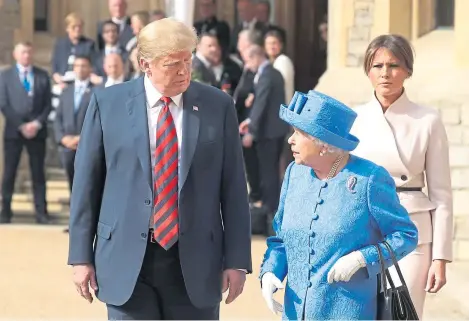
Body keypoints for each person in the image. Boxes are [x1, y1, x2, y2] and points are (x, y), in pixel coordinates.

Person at [67, 17, 252, 320]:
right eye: (172, 64)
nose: (183, 71)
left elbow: (233, 188)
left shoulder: (218, 106)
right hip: (126, 259)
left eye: (187, 61)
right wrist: (80, 257)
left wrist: (237, 260)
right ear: (145, 64)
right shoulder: (107, 104)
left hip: (196, 261)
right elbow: (87, 184)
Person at [259, 90, 418, 320]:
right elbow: (282, 238)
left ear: (323, 143)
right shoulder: (295, 173)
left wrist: (362, 258)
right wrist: (271, 271)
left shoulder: (369, 179)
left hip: (348, 312)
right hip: (295, 313)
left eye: (299, 133)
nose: (290, 139)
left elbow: (405, 235)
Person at [350, 34, 453, 319]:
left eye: (394, 65)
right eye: (377, 65)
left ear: (407, 70)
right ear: (368, 71)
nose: (385, 73)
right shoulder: (355, 119)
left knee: (402, 314)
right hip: (363, 229)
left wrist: (441, 257)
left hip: (412, 234)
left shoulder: (428, 120)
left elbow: (442, 194)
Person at [0, 42, 52, 224]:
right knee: (9, 173)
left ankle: (41, 212)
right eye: (23, 52)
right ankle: (5, 211)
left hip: (37, 132)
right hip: (14, 132)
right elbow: (4, 104)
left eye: (29, 52)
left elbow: (48, 104)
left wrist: (36, 123)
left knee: (38, 173)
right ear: (15, 54)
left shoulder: (42, 75)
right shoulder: (5, 76)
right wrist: (21, 125)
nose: (26, 56)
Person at [51, 13, 96, 88]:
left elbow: (92, 66)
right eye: (74, 27)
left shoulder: (89, 44)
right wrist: (58, 78)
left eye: (80, 27)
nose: (77, 29)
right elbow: (54, 65)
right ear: (67, 28)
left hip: (82, 82)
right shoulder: (60, 44)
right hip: (62, 81)